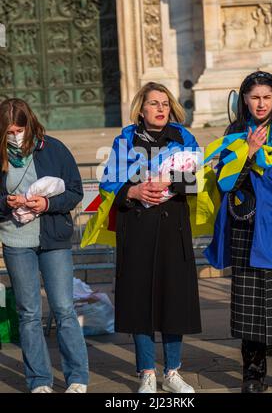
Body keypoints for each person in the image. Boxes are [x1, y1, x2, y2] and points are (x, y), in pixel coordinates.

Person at [81, 82, 203, 393]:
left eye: (165, 103)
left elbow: (195, 180)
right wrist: (133, 190)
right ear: (141, 109)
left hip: (173, 227)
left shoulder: (183, 137)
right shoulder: (126, 139)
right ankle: (147, 372)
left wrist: (168, 181)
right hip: (136, 226)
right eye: (154, 103)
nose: (161, 109)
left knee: (173, 301)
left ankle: (172, 372)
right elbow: (110, 182)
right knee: (140, 301)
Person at [205, 71, 272, 393]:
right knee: (251, 309)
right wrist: (246, 152)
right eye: (255, 97)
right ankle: (253, 375)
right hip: (248, 230)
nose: (261, 104)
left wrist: (259, 158)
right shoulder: (235, 132)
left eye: (267, 97)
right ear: (244, 99)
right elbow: (226, 182)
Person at [0, 98, 89, 393]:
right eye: (9, 131)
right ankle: (39, 380)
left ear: (30, 125)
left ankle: (77, 377)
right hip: (16, 240)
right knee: (28, 313)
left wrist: (47, 202)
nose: (15, 136)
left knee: (64, 307)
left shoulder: (53, 148)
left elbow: (75, 191)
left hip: (53, 239)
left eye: (19, 129)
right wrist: (6, 202)